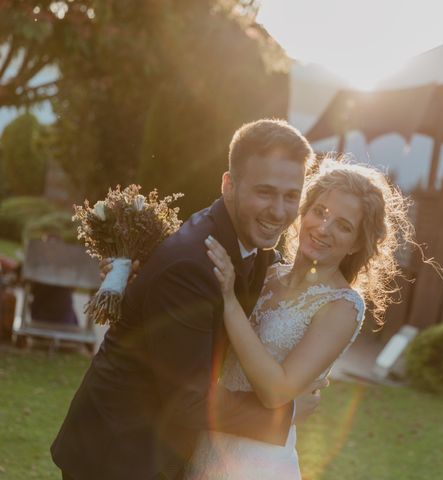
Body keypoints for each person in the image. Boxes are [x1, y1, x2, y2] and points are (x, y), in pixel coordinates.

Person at [51, 119, 320, 480]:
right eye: (265, 192)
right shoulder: (191, 265)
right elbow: (188, 402)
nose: (278, 210)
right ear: (229, 185)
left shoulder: (252, 250)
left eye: (291, 196)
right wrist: (284, 414)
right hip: (118, 456)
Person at [185, 157, 418, 479]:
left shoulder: (343, 306)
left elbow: (276, 392)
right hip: (209, 440)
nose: (323, 228)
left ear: (356, 244)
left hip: (258, 462)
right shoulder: (264, 273)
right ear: (304, 211)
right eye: (320, 212)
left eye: (343, 225)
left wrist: (229, 301)